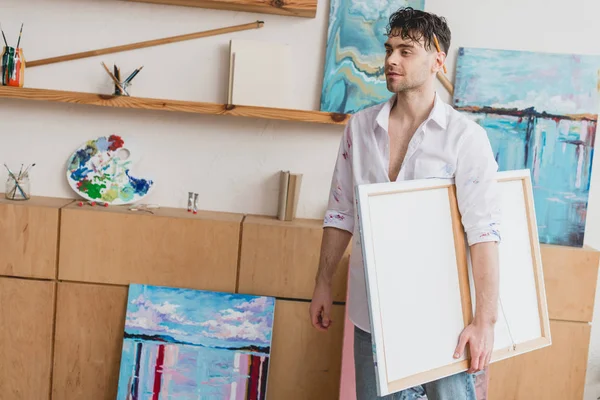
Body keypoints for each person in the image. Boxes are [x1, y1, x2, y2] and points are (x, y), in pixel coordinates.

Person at [309, 7, 501, 400]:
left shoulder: (466, 139)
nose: (391, 60)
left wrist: (485, 322)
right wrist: (323, 284)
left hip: (442, 318)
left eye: (406, 51)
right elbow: (340, 212)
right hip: (372, 317)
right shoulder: (359, 129)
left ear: (437, 60)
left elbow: (484, 234)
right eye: (389, 48)